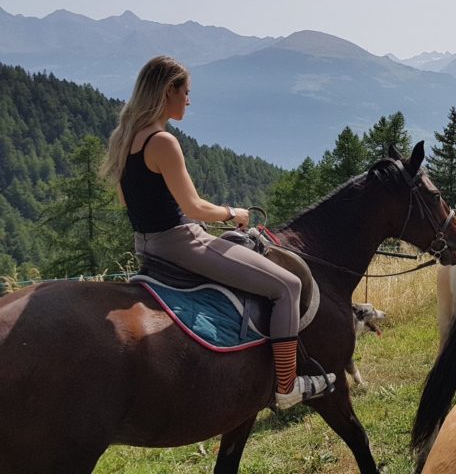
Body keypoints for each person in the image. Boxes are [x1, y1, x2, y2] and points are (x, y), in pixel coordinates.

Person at [100, 55, 335, 411]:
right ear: (168, 91)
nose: (189, 101)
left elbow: (127, 200)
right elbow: (194, 207)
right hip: (181, 245)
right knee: (289, 286)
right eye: (186, 92)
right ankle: (287, 386)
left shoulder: (126, 139)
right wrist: (233, 213)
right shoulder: (163, 142)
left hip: (147, 249)